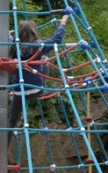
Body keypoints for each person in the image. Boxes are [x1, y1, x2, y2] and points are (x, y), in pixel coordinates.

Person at [8, 13, 70, 143]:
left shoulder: (14, 46)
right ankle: (43, 83)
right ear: (33, 32)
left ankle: (3, 149)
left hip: (20, 92)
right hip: (37, 89)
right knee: (44, 59)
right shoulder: (38, 46)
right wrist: (63, 22)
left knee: (12, 121)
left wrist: (8, 35)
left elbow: (8, 40)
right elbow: (56, 40)